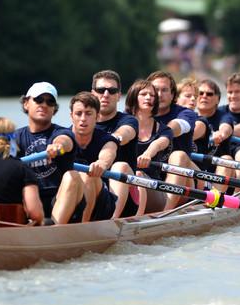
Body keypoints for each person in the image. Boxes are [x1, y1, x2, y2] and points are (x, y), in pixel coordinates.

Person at [14, 81, 82, 225]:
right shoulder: (16, 137)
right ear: (26, 103)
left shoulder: (61, 133)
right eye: (38, 99)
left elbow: (66, 142)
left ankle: (54, 230)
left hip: (58, 199)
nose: (44, 104)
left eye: (50, 102)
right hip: (29, 198)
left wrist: (58, 146)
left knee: (73, 176)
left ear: (54, 109)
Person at [90, 70, 137, 216]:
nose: (105, 94)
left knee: (119, 166)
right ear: (92, 93)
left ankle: (112, 221)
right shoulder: (82, 125)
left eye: (112, 91)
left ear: (118, 96)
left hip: (128, 198)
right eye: (100, 90)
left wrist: (114, 139)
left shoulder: (128, 121)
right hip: (95, 191)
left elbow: (125, 133)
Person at [68, 92, 120, 222]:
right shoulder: (62, 138)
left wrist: (102, 163)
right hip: (69, 196)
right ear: (71, 116)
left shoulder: (106, 139)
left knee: (88, 175)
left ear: (97, 116)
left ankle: (84, 227)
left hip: (101, 204)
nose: (83, 118)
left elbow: (109, 152)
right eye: (79, 113)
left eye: (88, 113)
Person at [125, 79, 175, 214]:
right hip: (123, 184)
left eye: (152, 95)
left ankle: (136, 221)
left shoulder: (164, 130)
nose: (149, 98)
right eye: (144, 94)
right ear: (133, 97)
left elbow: (159, 144)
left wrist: (148, 154)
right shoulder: (121, 123)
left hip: (154, 189)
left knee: (138, 174)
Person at [146, 71, 197, 156]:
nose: (159, 94)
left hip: (178, 165)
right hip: (144, 168)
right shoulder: (136, 113)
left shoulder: (187, 113)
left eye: (164, 90)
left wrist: (152, 148)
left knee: (177, 156)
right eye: (155, 90)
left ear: (172, 95)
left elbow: (175, 127)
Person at [194, 78, 231, 169]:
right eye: (200, 93)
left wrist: (221, 134)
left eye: (209, 94)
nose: (204, 96)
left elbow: (226, 127)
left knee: (227, 159)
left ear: (218, 100)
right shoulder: (189, 117)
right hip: (195, 169)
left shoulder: (224, 116)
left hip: (216, 171)